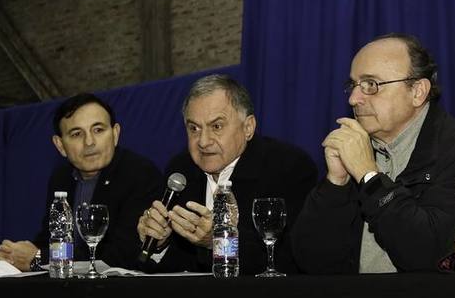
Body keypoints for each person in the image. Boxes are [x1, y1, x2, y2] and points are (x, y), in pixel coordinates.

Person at [291, 33, 455, 273]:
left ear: (417, 91)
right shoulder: (355, 146)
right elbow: (310, 260)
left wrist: (368, 176)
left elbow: (428, 254)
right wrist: (336, 184)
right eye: (353, 85)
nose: (354, 99)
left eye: (371, 84)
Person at [136, 74, 318, 275]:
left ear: (248, 128)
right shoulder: (181, 171)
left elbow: (290, 258)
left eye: (216, 126)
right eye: (194, 128)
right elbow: (181, 265)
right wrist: (161, 244)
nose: (203, 141)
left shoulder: (287, 167)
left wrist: (218, 241)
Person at [0, 93, 162, 271]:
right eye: (76, 134)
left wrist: (38, 258)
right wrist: (15, 254)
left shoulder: (139, 173)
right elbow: (51, 238)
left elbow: (121, 254)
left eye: (98, 130)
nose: (89, 142)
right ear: (60, 145)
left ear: (115, 134)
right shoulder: (62, 177)